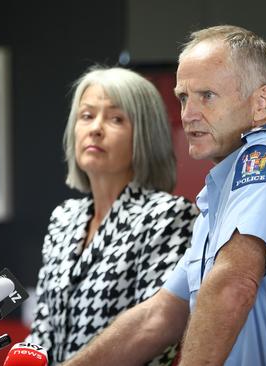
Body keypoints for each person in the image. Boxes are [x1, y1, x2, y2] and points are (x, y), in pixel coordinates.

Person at [63, 25, 266, 366]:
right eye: (183, 97)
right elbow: (160, 317)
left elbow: (233, 285)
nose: (188, 113)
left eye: (207, 95)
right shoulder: (221, 193)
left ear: (262, 102)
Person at [26, 66, 199, 365]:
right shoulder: (63, 217)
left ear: (145, 135)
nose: (96, 128)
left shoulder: (168, 217)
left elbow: (153, 335)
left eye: (116, 118)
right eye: (87, 115)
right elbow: (42, 330)